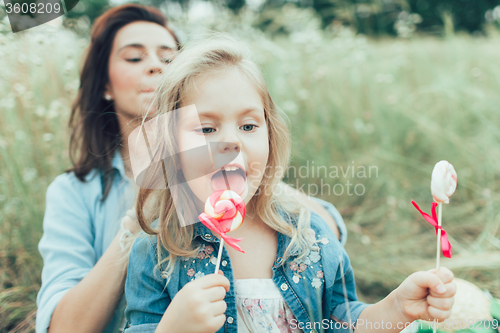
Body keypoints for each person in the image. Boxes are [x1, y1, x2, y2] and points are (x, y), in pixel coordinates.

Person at [35, 4, 346, 333]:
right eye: (134, 58)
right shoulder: (74, 192)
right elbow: (63, 327)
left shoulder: (236, 163)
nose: (156, 66)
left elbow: (329, 237)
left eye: (168, 57)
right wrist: (142, 217)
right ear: (104, 85)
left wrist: (252, 185)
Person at [122, 35, 456, 333]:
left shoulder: (309, 235)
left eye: (249, 126)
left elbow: (343, 322)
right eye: (206, 129)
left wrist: (396, 308)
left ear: (270, 136)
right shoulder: (155, 253)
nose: (231, 143)